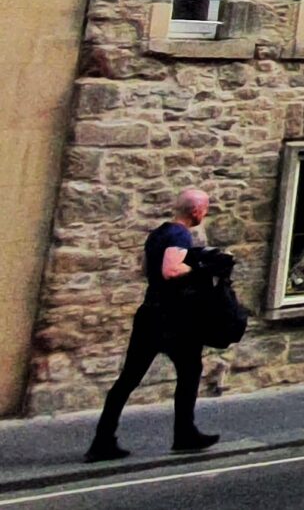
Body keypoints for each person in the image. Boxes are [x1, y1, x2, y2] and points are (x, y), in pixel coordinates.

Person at [87, 188, 221, 462]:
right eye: (205, 209)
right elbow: (170, 270)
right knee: (190, 371)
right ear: (195, 211)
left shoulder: (158, 233)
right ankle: (184, 434)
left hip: (149, 313)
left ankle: (103, 439)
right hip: (172, 318)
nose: (205, 213)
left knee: (128, 379)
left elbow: (145, 268)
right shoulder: (180, 234)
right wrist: (201, 266)